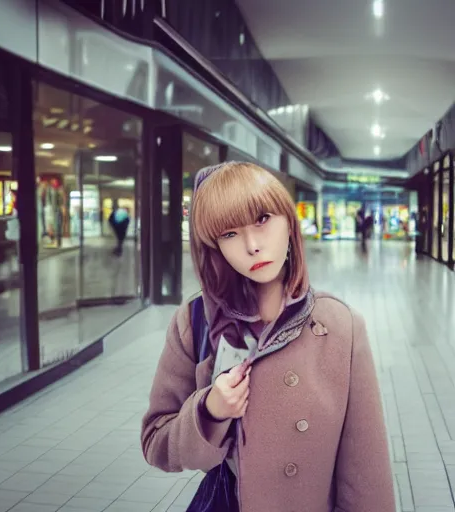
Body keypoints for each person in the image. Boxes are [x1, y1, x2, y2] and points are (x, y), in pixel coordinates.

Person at [141, 162, 395, 511]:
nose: (252, 246)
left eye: (262, 220)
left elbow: (366, 470)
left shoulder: (340, 325)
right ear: (214, 247)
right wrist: (211, 411)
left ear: (288, 221)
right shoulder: (196, 320)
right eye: (229, 234)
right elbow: (157, 441)